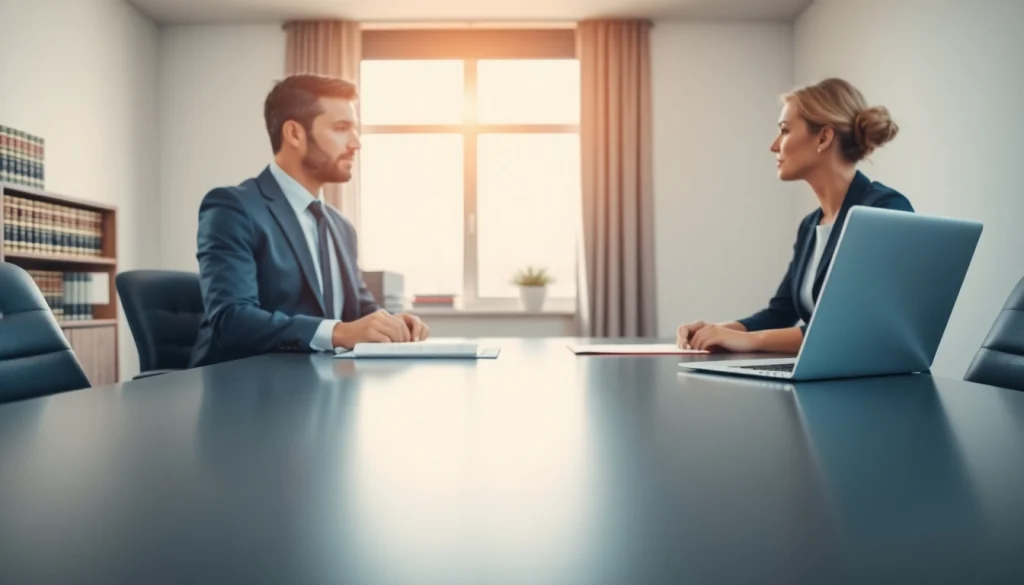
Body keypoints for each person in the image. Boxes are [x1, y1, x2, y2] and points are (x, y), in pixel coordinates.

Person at [189, 74, 429, 368]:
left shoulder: (341, 226)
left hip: (323, 388)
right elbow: (233, 320)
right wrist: (340, 332)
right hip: (246, 393)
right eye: (341, 129)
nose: (356, 143)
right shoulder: (233, 208)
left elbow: (358, 307)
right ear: (294, 134)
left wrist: (391, 324)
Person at [676, 78, 912, 353]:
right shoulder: (811, 225)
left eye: (785, 131)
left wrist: (750, 341)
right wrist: (717, 330)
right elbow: (780, 313)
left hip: (878, 388)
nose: (774, 145)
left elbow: (855, 327)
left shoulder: (884, 210)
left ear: (824, 137)